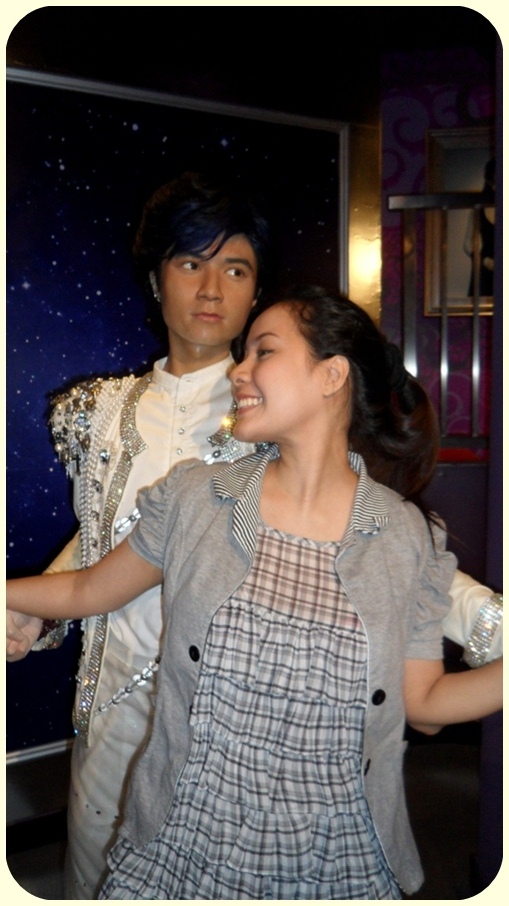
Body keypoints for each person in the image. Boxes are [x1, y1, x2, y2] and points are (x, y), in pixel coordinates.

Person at [7, 286, 503, 900]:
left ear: (332, 375)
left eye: (263, 352)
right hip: (183, 846)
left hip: (334, 863)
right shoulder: (196, 498)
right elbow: (88, 589)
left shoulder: (405, 538)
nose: (238, 371)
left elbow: (423, 704)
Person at [5, 170, 272, 899]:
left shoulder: (280, 412)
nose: (211, 289)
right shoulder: (94, 411)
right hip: (112, 713)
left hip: (231, 719)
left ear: (255, 291)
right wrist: (34, 607)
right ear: (157, 280)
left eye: (235, 269)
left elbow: (357, 524)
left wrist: (477, 616)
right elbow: (103, 536)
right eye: (190, 263)